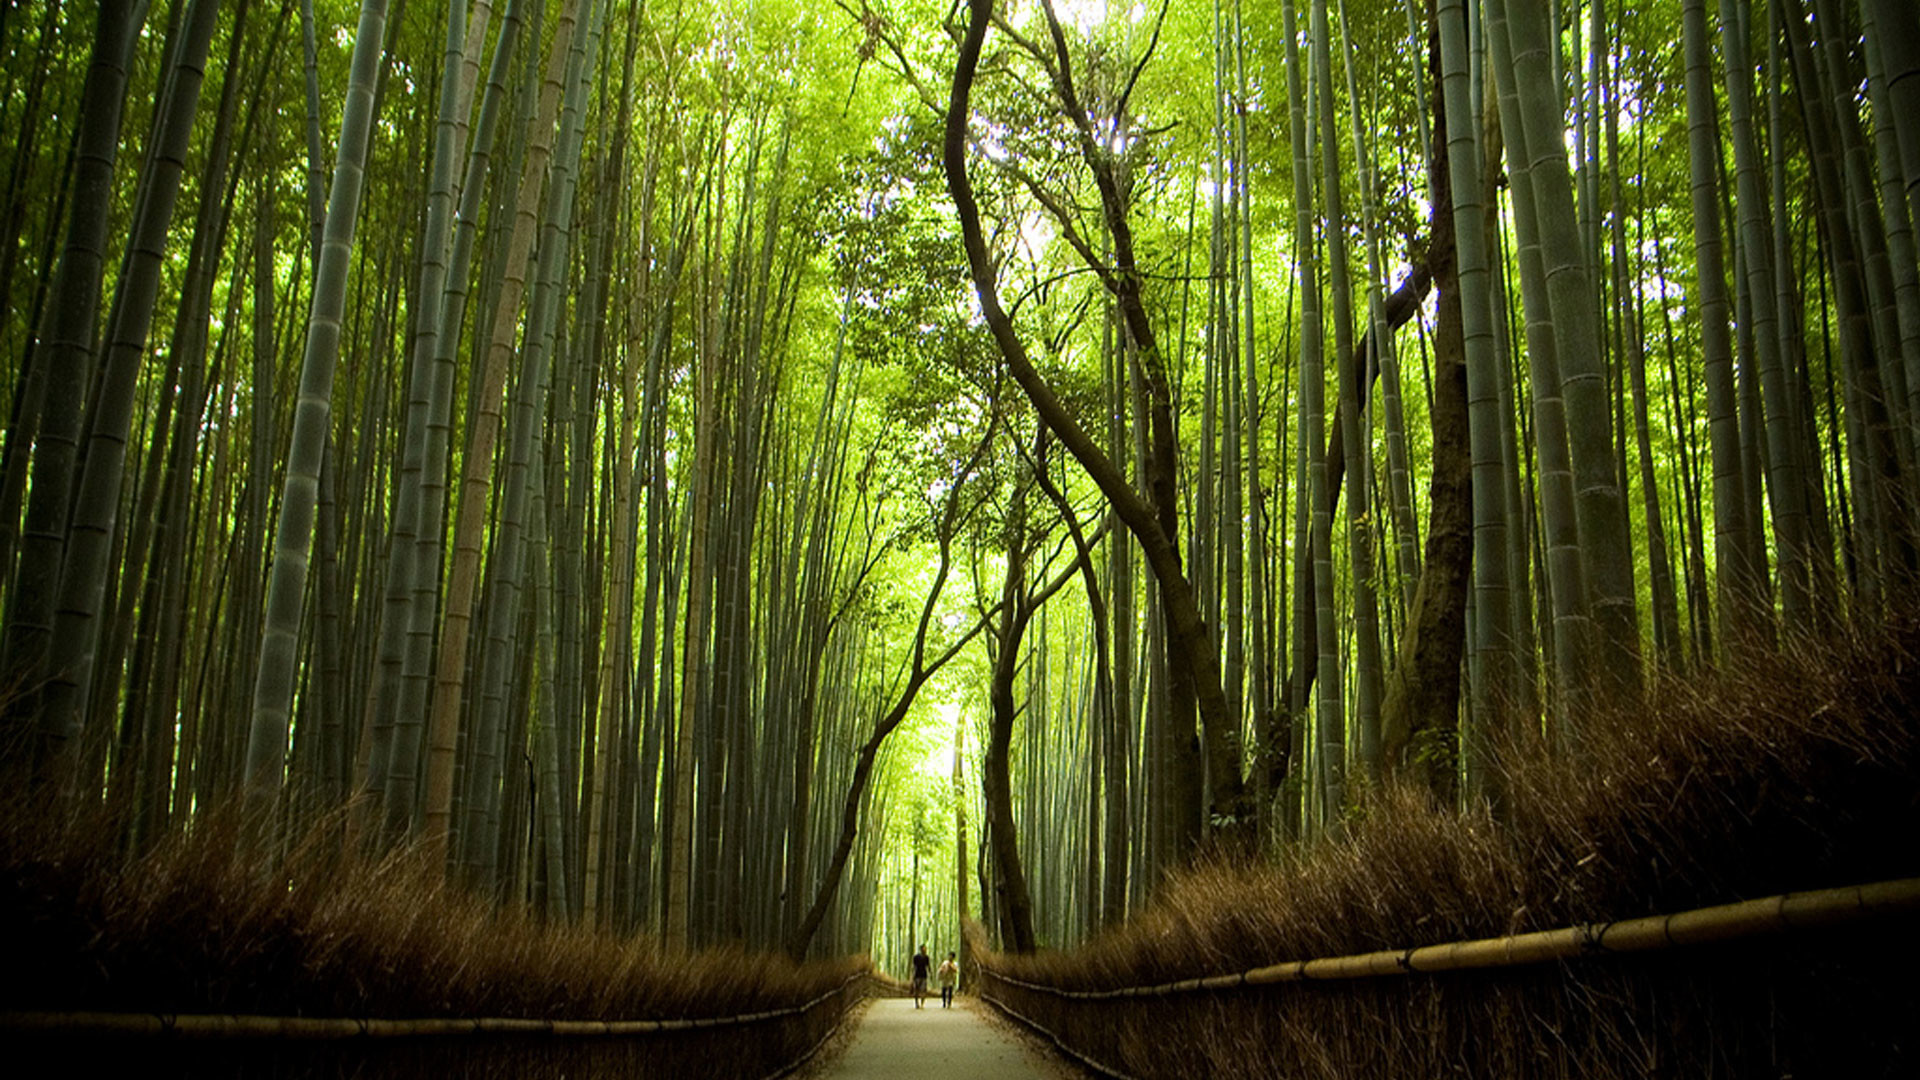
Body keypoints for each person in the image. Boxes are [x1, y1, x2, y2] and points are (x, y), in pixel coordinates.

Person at [910, 944, 931, 1008]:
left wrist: (930, 973)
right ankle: (916, 1003)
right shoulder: (916, 957)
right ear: (921, 949)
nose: (925, 950)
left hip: (924, 975)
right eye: (923, 948)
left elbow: (928, 966)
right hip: (917, 975)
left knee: (923, 990)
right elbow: (914, 966)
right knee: (917, 990)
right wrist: (912, 976)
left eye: (925, 949)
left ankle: (922, 1003)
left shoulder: (926, 957)